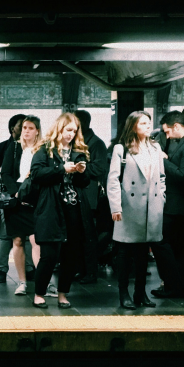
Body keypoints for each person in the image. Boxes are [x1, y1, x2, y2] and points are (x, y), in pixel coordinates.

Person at [30, 113, 96, 309]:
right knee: (49, 254)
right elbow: (36, 174)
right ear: (59, 129)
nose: (71, 135)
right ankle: (39, 293)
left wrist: (82, 172)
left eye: (74, 131)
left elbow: (85, 183)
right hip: (51, 207)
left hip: (73, 208)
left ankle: (62, 294)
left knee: (71, 254)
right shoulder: (45, 150)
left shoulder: (78, 151)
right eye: (68, 130)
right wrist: (62, 170)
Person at [107, 111, 166, 309]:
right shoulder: (121, 149)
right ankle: (123, 293)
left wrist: (161, 198)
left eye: (149, 122)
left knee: (143, 254)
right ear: (133, 126)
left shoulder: (155, 147)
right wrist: (115, 206)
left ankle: (140, 294)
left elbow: (162, 177)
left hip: (151, 206)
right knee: (124, 253)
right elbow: (113, 179)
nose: (148, 126)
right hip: (129, 207)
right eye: (142, 123)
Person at [152, 107, 184, 299]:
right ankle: (176, 285)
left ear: (176, 126)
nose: (167, 136)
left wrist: (164, 161)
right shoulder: (183, 143)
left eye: (167, 131)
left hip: (177, 205)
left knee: (162, 242)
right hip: (178, 205)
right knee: (177, 247)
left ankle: (173, 285)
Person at [1, 116, 44, 296]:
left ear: (37, 131)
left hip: (36, 197)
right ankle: (22, 281)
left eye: (31, 128)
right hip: (16, 197)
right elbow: (6, 173)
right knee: (17, 241)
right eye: (24, 127)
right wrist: (16, 192)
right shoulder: (14, 147)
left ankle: (44, 281)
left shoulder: (43, 149)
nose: (26, 131)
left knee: (37, 240)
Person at [0, 113, 27, 283]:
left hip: (26, 196)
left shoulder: (33, 149)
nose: (25, 130)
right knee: (4, 234)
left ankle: (28, 268)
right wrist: (3, 194)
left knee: (26, 233)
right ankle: (2, 269)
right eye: (22, 127)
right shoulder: (1, 148)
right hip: (7, 198)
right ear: (12, 129)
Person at [75, 110, 108, 284]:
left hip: (89, 196)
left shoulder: (96, 144)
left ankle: (90, 272)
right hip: (80, 195)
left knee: (88, 236)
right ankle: (81, 269)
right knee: (80, 236)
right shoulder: (79, 142)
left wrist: (78, 168)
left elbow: (100, 169)